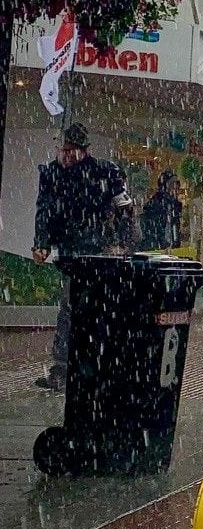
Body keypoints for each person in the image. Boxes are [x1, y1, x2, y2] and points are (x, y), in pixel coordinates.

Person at [31, 122, 137, 392]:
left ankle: (87, 367)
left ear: (84, 151)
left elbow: (125, 210)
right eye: (62, 150)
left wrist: (122, 244)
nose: (65, 156)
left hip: (99, 250)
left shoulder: (105, 171)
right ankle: (66, 367)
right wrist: (40, 243)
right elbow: (44, 210)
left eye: (71, 151)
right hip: (70, 250)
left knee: (90, 308)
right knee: (71, 307)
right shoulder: (52, 173)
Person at [139, 170, 183, 251]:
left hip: (168, 250)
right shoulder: (156, 205)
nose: (176, 190)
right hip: (158, 250)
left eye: (177, 187)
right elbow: (153, 230)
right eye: (173, 187)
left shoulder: (173, 205)